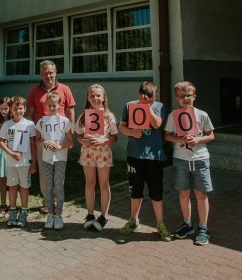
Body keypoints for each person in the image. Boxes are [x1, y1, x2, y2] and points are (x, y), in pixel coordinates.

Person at [118, 81, 170, 242]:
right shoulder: (129, 106)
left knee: (156, 192)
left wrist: (147, 107)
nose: (148, 101)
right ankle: (134, 220)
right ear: (138, 94)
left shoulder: (158, 106)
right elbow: (122, 127)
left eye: (151, 99)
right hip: (135, 155)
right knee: (135, 190)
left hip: (154, 156)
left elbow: (157, 124)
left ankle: (160, 224)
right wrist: (132, 133)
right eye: (143, 98)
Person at [164, 81, 215, 246]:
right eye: (181, 96)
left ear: (194, 96)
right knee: (183, 193)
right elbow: (167, 135)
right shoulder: (173, 116)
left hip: (200, 158)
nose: (185, 99)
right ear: (177, 98)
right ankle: (187, 224)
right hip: (181, 160)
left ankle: (203, 227)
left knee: (201, 193)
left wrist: (198, 139)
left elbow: (211, 135)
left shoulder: (202, 115)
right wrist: (179, 139)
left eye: (188, 95)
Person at [27, 60, 76, 214]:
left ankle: (57, 200)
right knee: (44, 170)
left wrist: (71, 133)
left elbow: (70, 112)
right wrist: (33, 137)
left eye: (51, 72)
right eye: (45, 73)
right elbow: (30, 115)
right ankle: (47, 201)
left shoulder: (65, 89)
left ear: (55, 73)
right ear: (41, 74)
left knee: (59, 171)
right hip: (43, 139)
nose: (48, 75)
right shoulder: (35, 91)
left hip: (61, 138)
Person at [74, 84, 118, 232]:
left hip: (103, 152)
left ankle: (104, 216)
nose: (95, 98)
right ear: (88, 98)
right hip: (88, 152)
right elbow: (78, 135)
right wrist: (83, 141)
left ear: (104, 97)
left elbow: (114, 137)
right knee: (90, 182)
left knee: (104, 183)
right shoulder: (83, 116)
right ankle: (90, 214)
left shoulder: (109, 116)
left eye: (98, 95)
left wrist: (103, 141)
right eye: (92, 95)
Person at [35, 92, 73, 230]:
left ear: (59, 106)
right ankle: (50, 214)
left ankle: (59, 215)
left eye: (54, 105)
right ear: (46, 105)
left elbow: (70, 141)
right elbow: (36, 140)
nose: (52, 108)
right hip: (46, 158)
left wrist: (60, 146)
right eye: (49, 105)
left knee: (59, 186)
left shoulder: (65, 122)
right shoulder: (41, 121)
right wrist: (46, 142)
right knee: (49, 186)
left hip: (61, 158)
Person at [0, 96, 37, 228]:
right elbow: (1, 141)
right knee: (12, 187)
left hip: (25, 163)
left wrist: (34, 163)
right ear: (11, 109)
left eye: (20, 108)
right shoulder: (7, 124)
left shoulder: (29, 124)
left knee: (24, 187)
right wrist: (11, 153)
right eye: (15, 108)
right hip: (11, 163)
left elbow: (33, 145)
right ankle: (13, 211)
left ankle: (24, 212)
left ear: (25, 109)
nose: (18, 111)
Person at [0, 96, 11, 217]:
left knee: (12, 180)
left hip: (12, 151)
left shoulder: (13, 121)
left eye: (6, 108)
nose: (4, 111)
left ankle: (12, 204)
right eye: (1, 108)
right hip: (1, 151)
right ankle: (3, 204)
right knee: (2, 179)